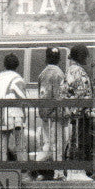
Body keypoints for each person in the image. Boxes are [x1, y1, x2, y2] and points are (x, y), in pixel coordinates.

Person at [61, 44, 93, 171]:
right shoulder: (77, 71)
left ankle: (74, 168)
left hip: (74, 110)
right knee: (80, 141)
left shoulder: (70, 69)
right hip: (80, 111)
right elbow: (81, 91)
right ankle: (77, 169)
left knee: (75, 139)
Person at [35, 47, 65, 179]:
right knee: (58, 143)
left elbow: (42, 94)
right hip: (56, 114)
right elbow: (59, 95)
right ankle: (58, 172)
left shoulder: (42, 73)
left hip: (45, 113)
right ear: (59, 59)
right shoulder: (60, 74)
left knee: (46, 143)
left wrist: (44, 112)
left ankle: (40, 170)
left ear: (46, 58)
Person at [0, 53, 27, 162]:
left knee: (2, 145)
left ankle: (0, 169)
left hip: (1, 115)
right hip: (15, 116)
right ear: (17, 65)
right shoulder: (18, 79)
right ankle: (23, 169)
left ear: (4, 65)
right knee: (20, 145)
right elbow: (23, 98)